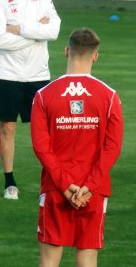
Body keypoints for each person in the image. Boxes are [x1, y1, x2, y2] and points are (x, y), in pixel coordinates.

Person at [30, 28, 123, 266]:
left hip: (55, 188)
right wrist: (90, 186)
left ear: (66, 51)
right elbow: (112, 148)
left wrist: (64, 184)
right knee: (87, 259)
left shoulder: (43, 95)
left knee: (49, 260)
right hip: (94, 189)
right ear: (95, 56)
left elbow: (41, 147)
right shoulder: (110, 96)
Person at [0, 0, 61, 200]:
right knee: (7, 127)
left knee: (45, 130)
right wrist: (35, 32)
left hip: (38, 74)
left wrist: (19, 28)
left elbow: (54, 30)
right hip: (6, 75)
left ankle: (50, 182)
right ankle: (10, 182)